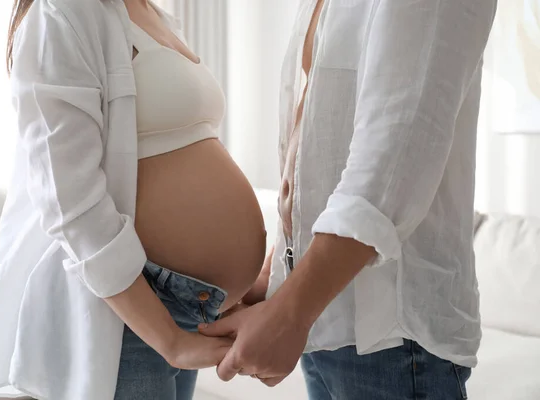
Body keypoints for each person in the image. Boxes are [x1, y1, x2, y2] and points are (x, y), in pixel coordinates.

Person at [0, 0, 266, 399]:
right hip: (133, 313)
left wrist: (231, 289)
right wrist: (169, 339)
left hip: (191, 305)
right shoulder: (62, 13)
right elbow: (69, 201)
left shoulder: (154, 15)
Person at [199, 0, 498, 398]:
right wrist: (273, 279)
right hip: (330, 322)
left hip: (390, 339)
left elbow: (390, 169)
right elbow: (319, 158)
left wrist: (291, 311)